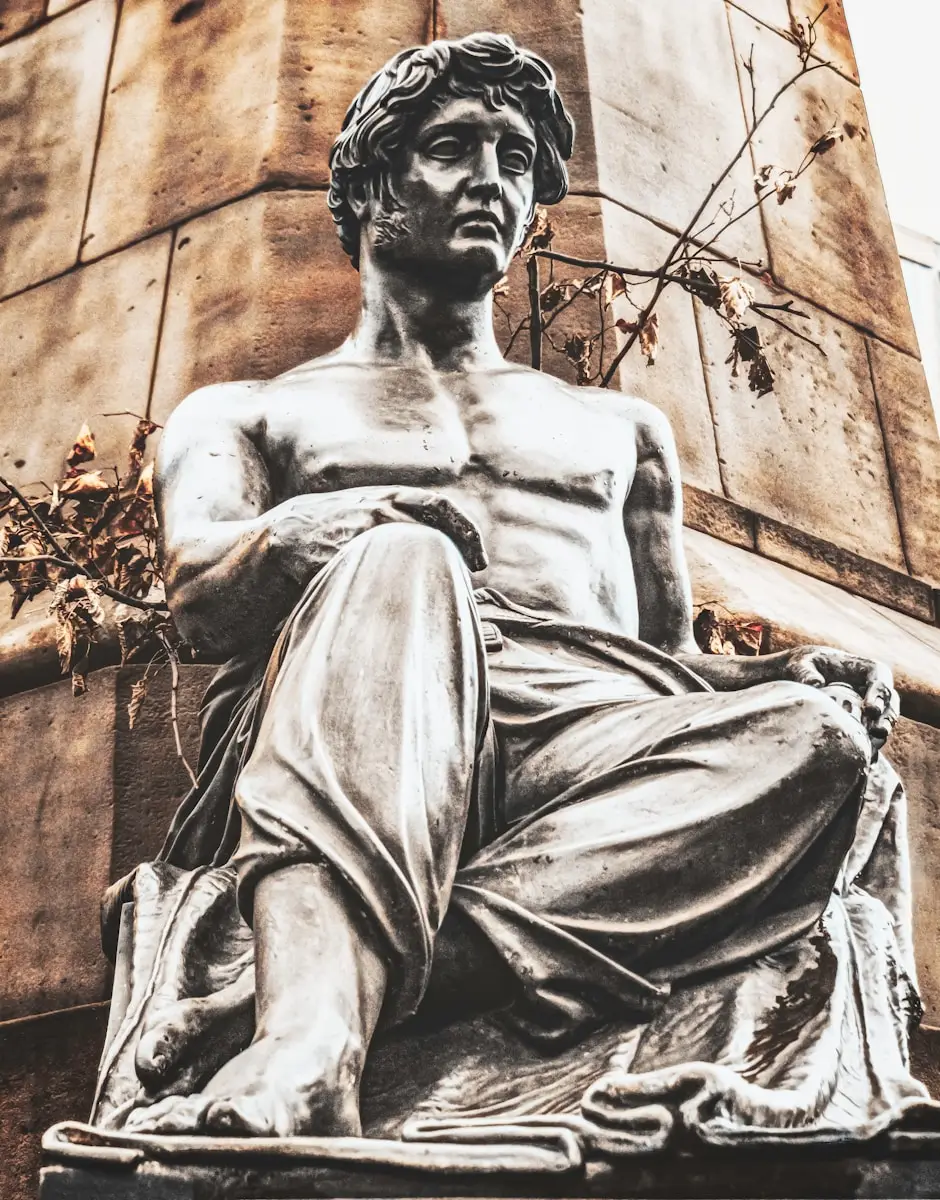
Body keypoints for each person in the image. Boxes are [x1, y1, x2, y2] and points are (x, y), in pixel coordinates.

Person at [98, 33, 922, 1145]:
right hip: (358, 713)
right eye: (453, 148)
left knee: (819, 739)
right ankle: (309, 1046)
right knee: (402, 554)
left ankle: (361, 974)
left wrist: (780, 670)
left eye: (517, 157)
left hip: (586, 736)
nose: (494, 177)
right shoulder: (246, 414)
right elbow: (201, 598)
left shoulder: (618, 429)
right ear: (372, 189)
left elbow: (667, 665)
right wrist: (324, 529)